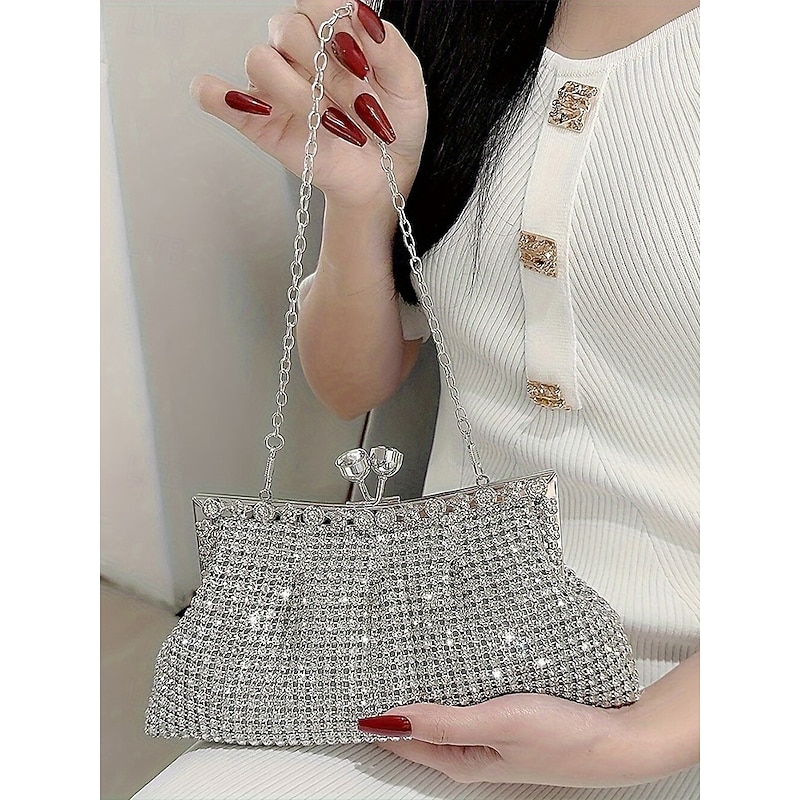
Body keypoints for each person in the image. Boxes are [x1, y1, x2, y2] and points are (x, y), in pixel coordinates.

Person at [164, 0, 700, 797]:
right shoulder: (447, 17)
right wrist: (361, 205)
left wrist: (637, 739)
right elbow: (351, 387)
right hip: (431, 646)